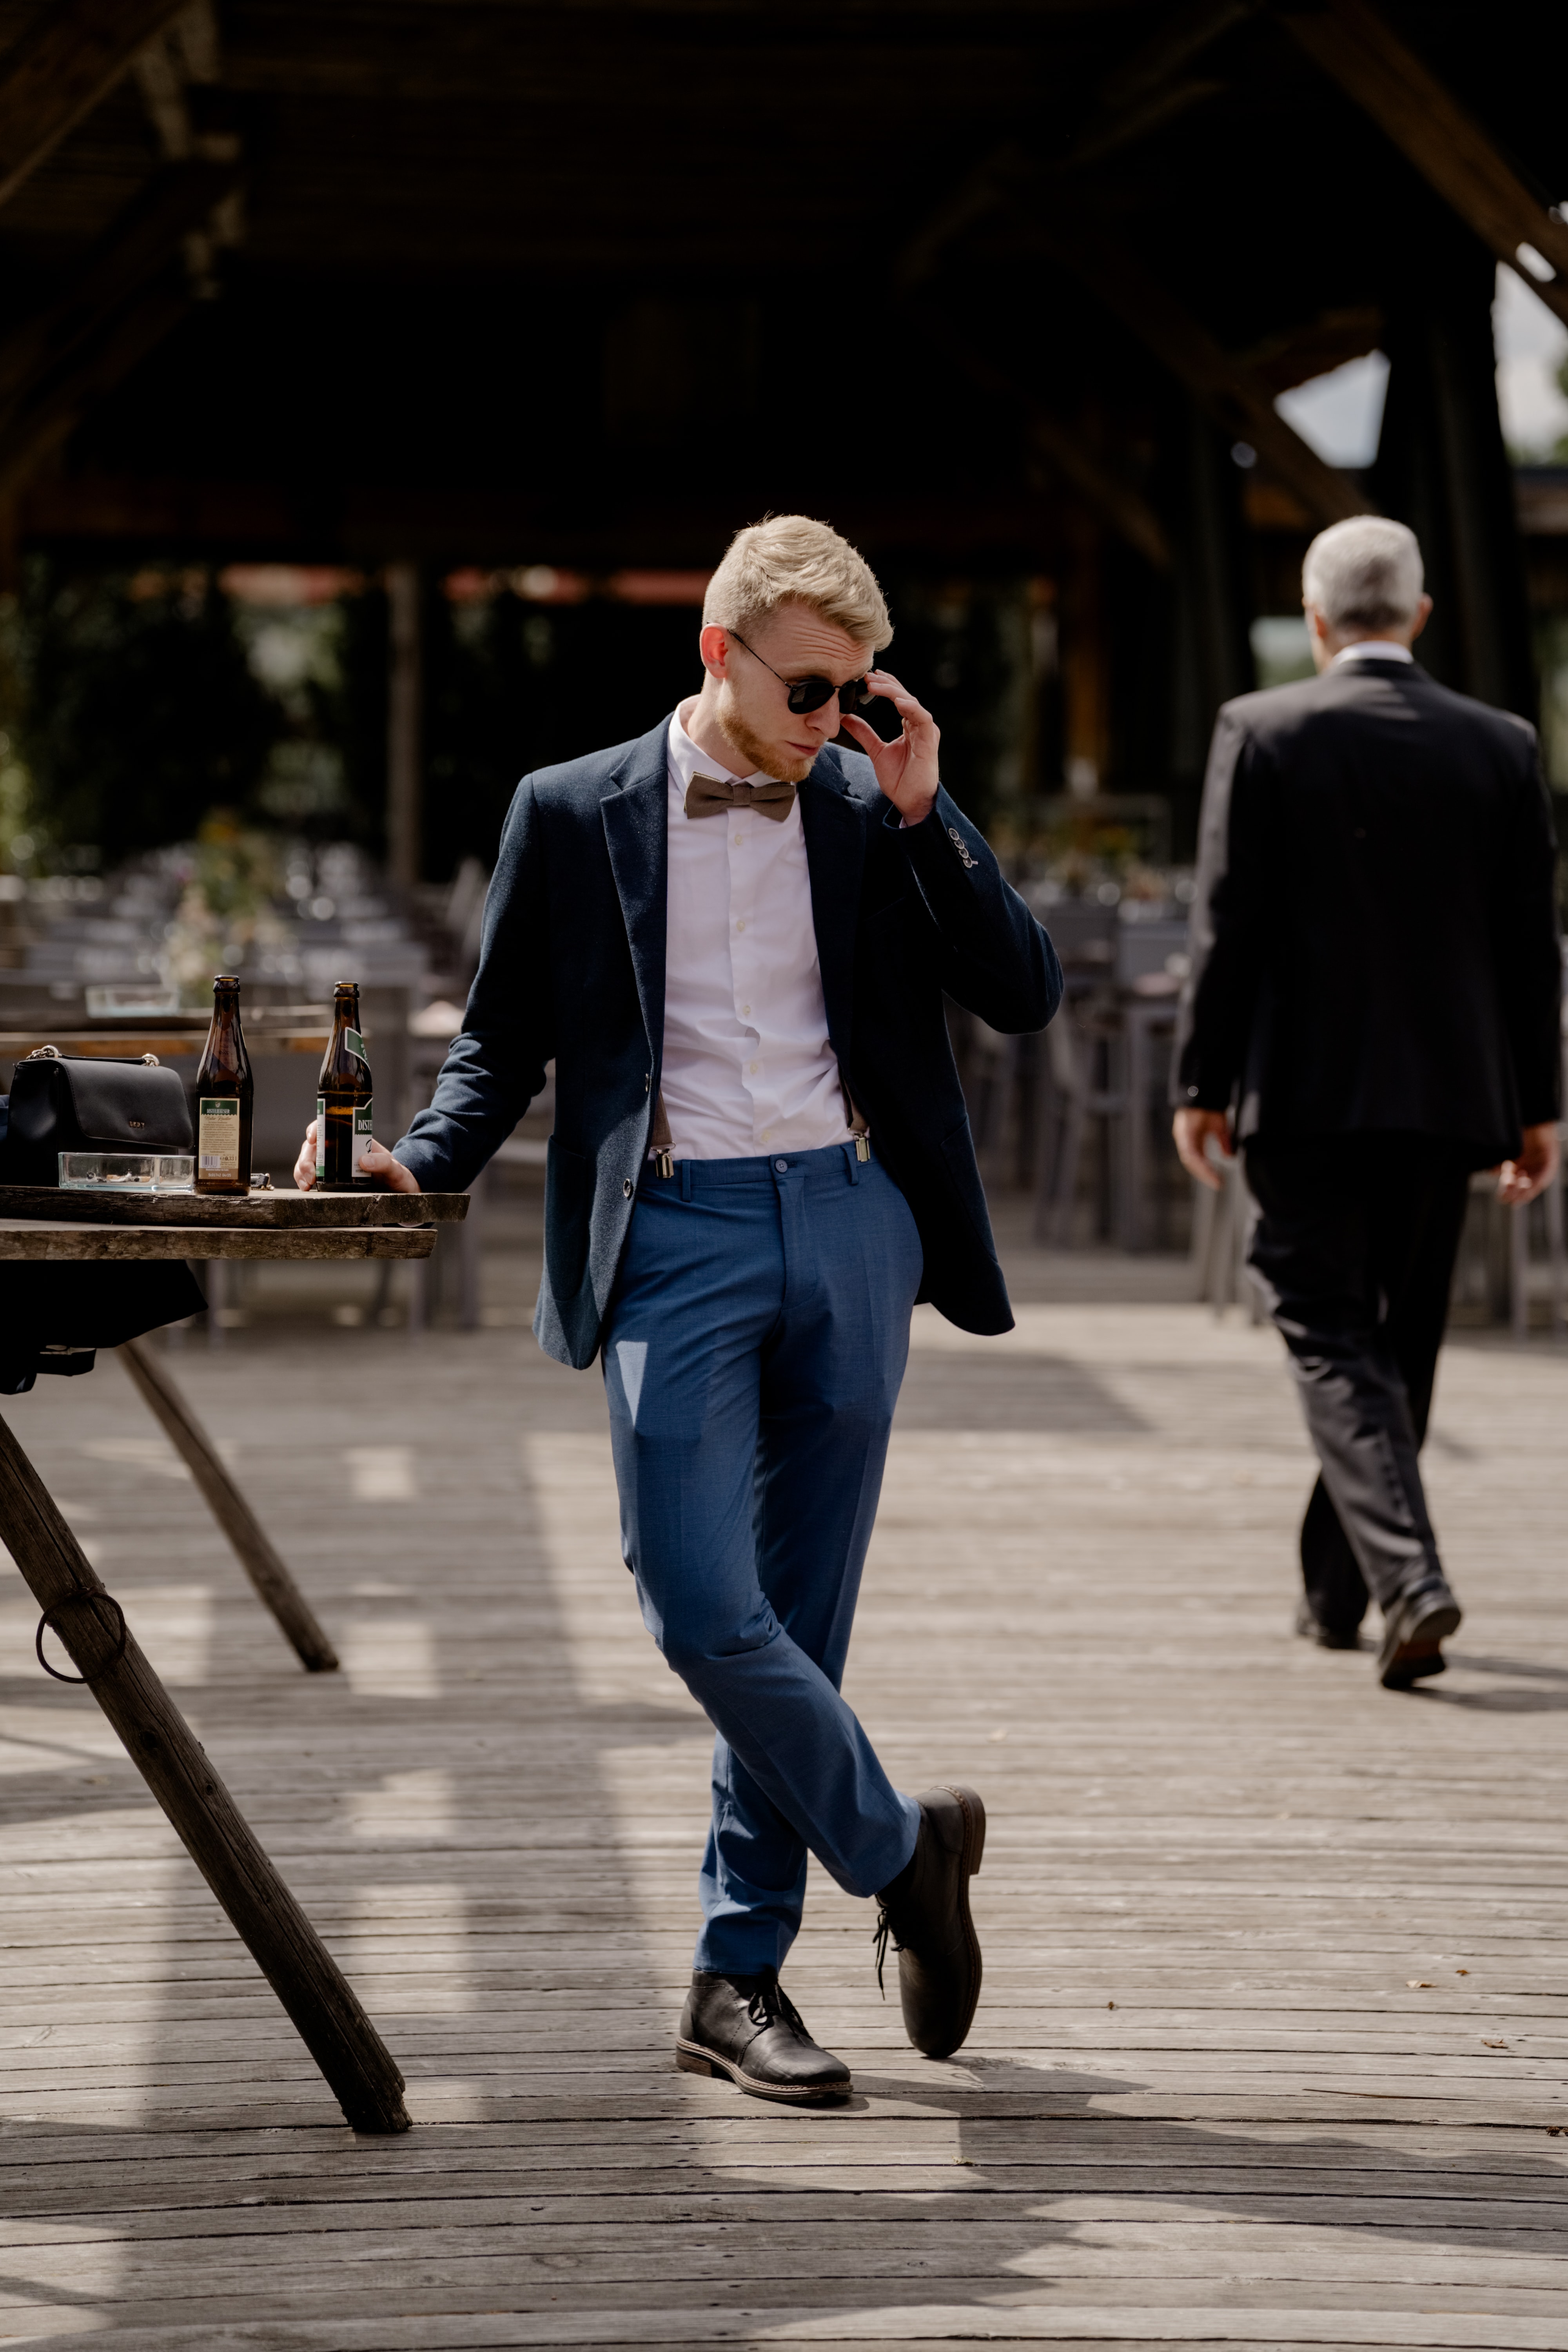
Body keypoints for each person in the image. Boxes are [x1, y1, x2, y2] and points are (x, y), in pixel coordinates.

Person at [296, 516, 1060, 2101]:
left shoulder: (869, 803)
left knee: (803, 1616)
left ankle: (735, 1977)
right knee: (696, 1599)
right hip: (673, 1237)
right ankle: (901, 1848)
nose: (831, 720)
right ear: (716, 655)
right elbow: (503, 1037)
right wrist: (416, 1163)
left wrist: (928, 816)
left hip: (854, 1226)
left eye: (857, 691)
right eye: (805, 689)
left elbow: (1023, 988)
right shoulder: (571, 812)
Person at [1173, 514, 1561, 1691]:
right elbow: (1526, 947)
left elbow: (1226, 924)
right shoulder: (1502, 743)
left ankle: (1404, 1578)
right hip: (1450, 1096)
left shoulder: (1264, 729)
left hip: (1302, 1091)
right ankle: (1340, 1594)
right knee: (1399, 1338)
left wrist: (1202, 1080)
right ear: (1423, 616)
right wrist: (1537, 1104)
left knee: (1330, 1330)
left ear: (1317, 616)